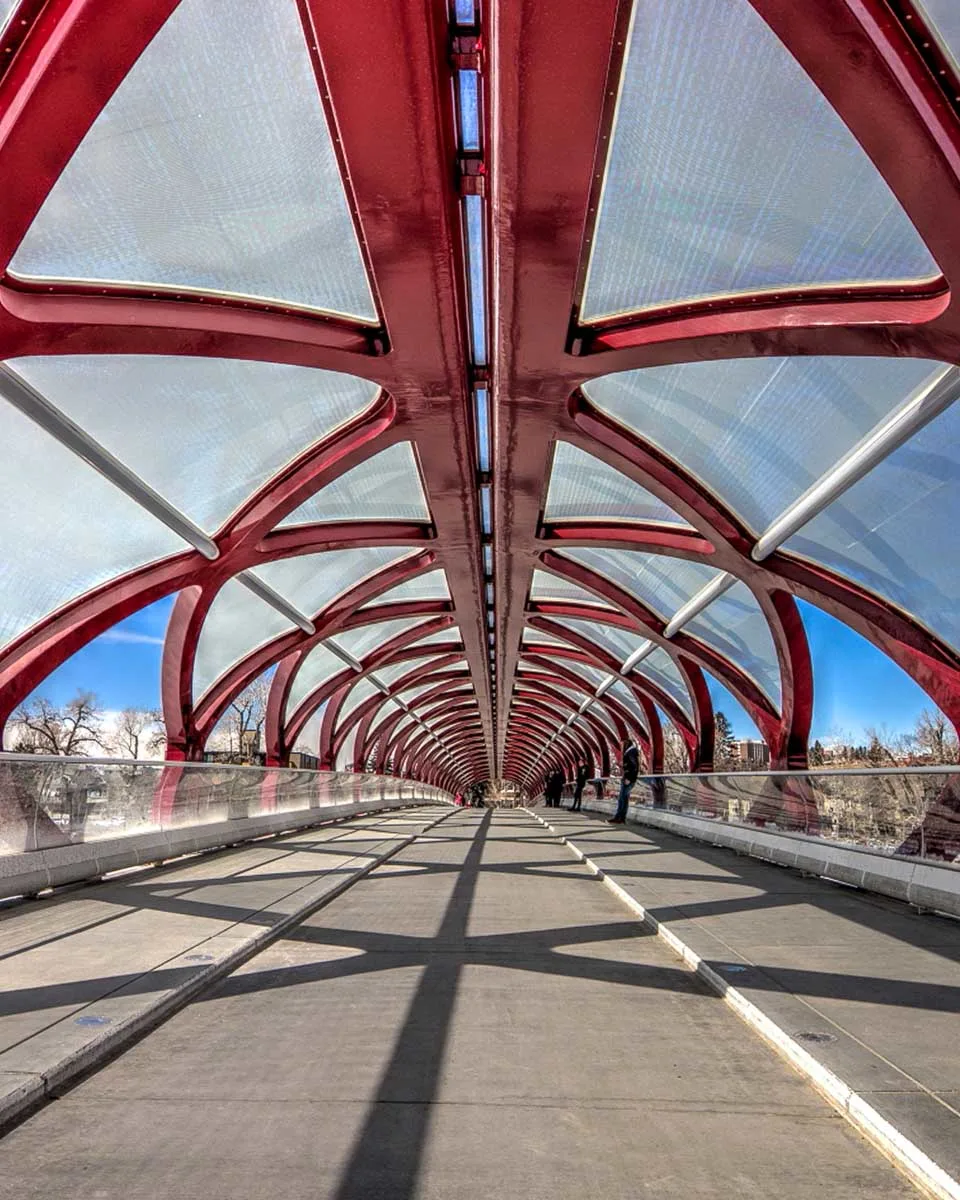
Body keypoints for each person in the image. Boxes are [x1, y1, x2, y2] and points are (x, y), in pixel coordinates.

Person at [608, 738, 639, 824]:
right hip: (626, 778)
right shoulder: (630, 752)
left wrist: (629, 778)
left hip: (628, 779)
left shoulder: (631, 752)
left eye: (622, 745)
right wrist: (623, 765)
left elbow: (635, 766)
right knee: (622, 799)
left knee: (623, 799)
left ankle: (620, 818)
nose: (621, 747)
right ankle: (619, 817)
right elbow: (630, 765)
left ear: (626, 744)